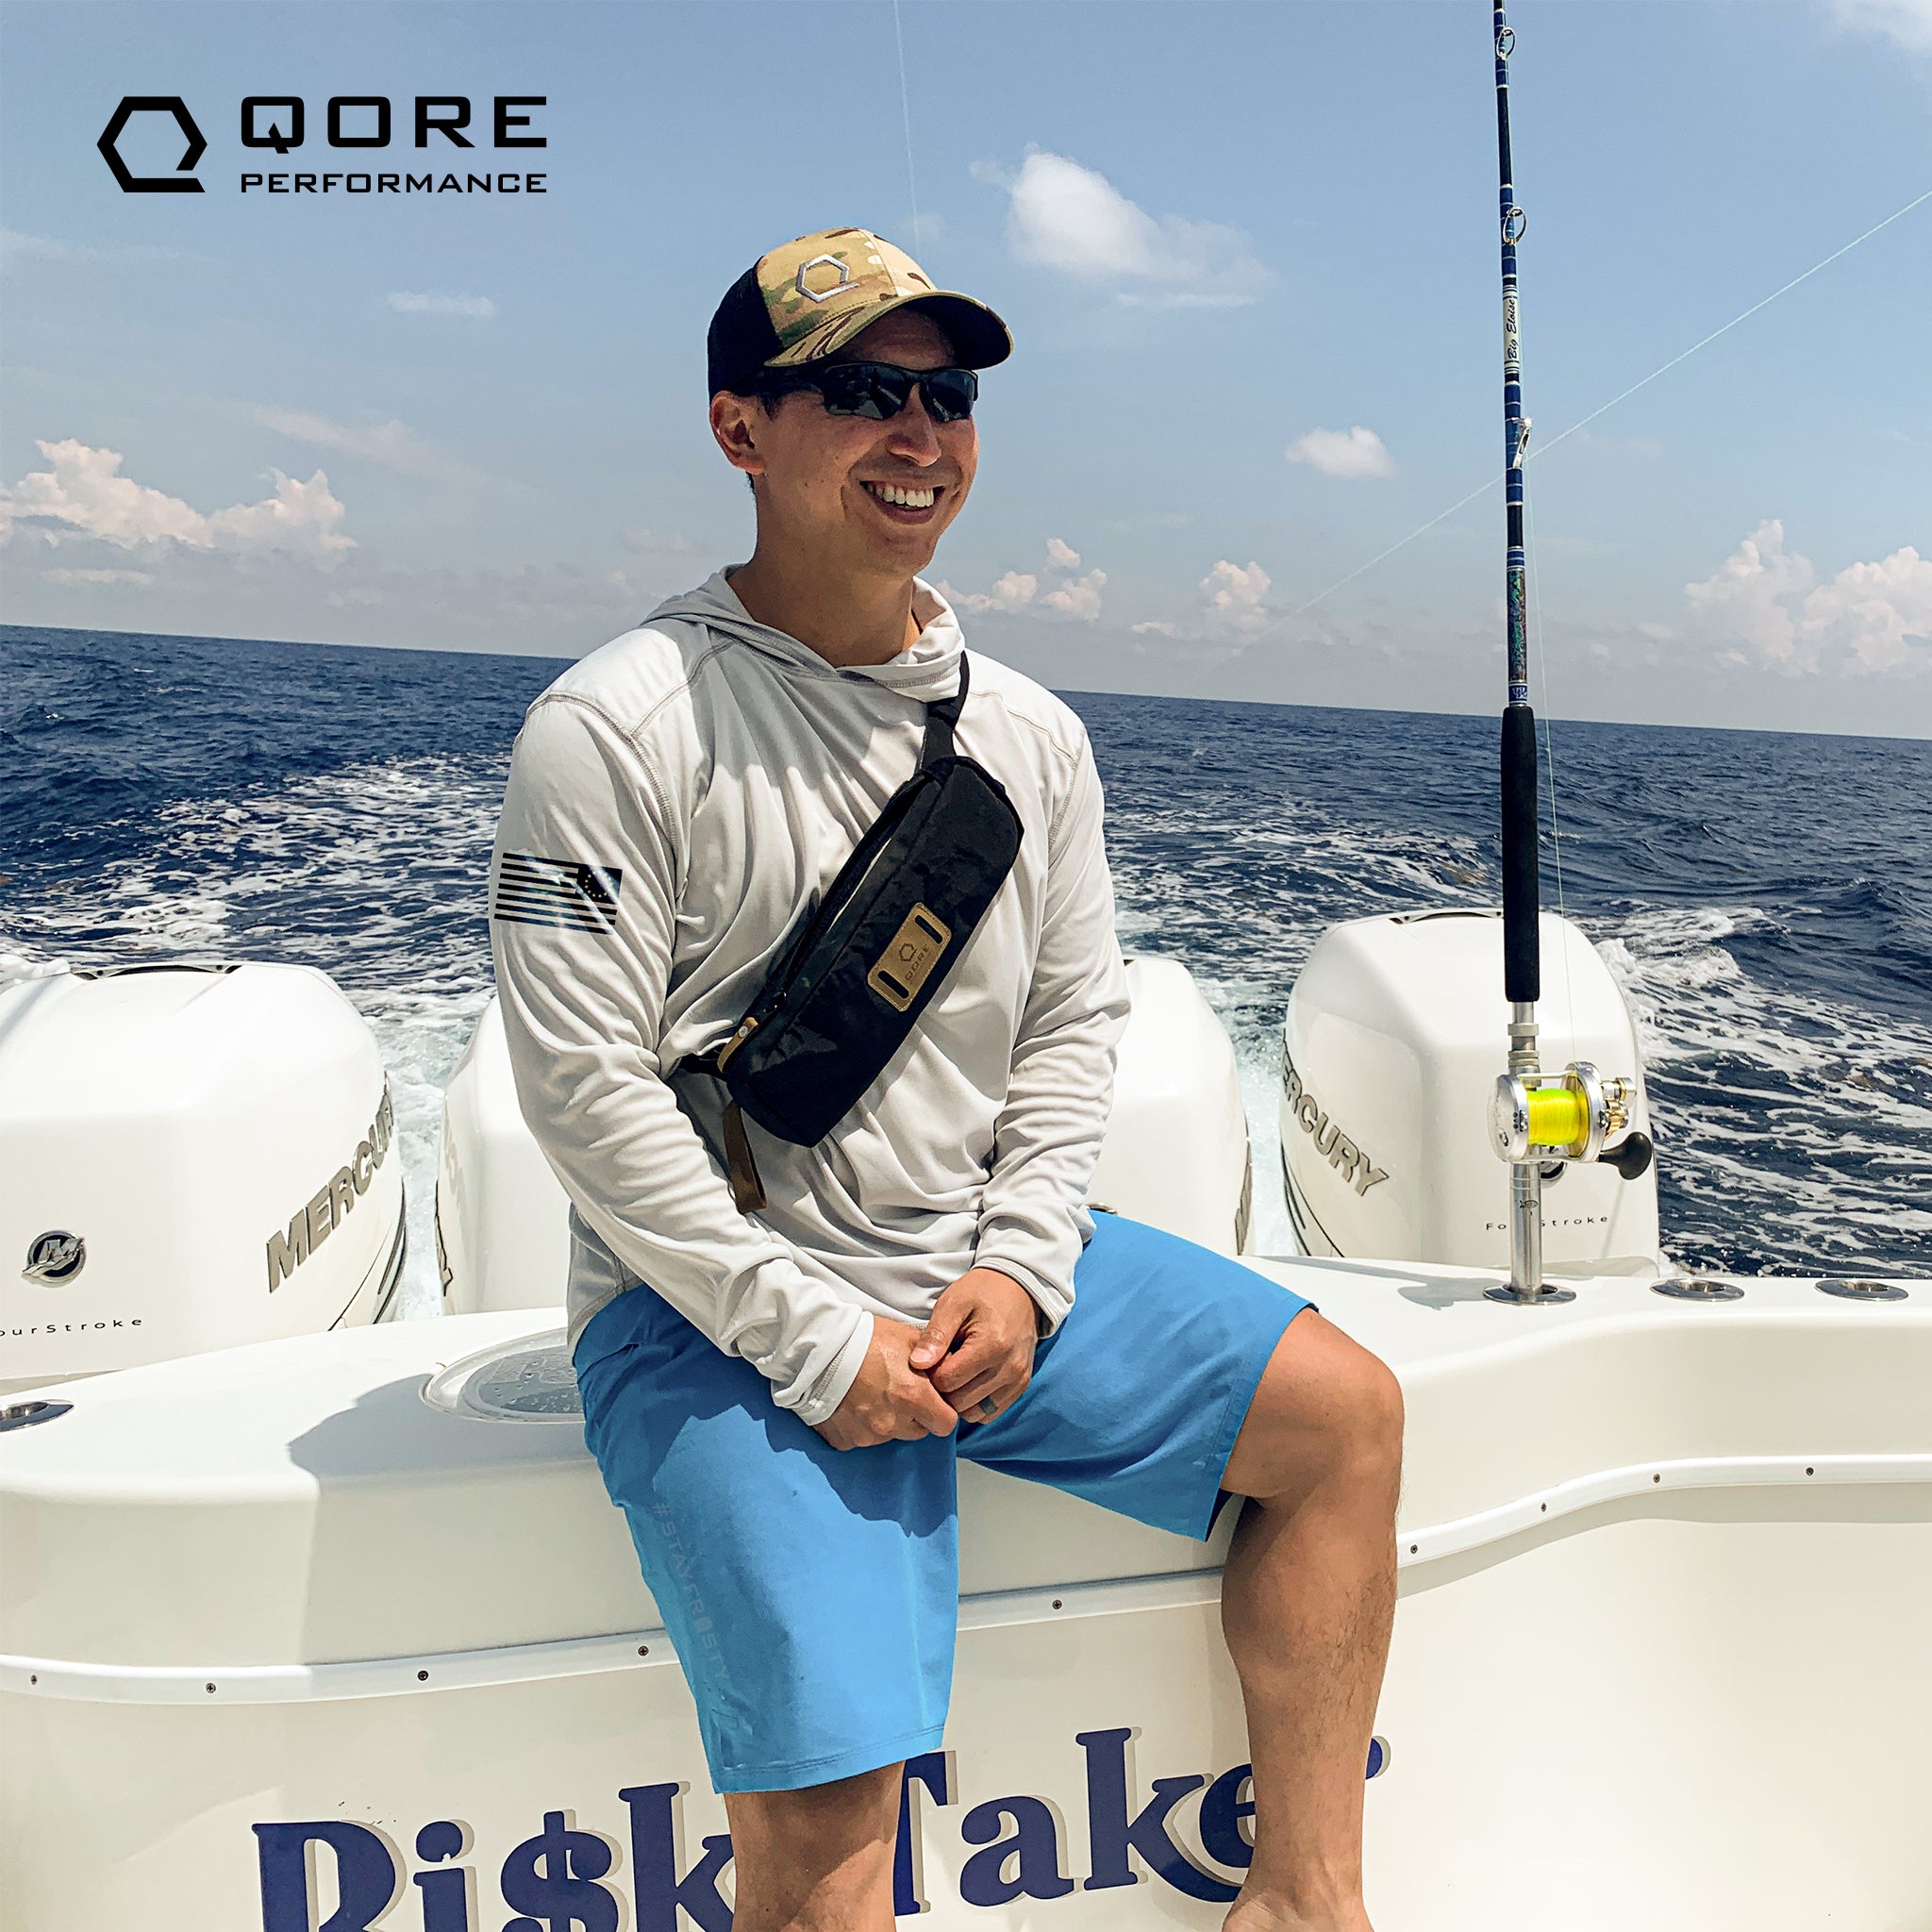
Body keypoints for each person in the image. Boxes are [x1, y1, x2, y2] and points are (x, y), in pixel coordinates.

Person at [490, 225, 1404, 1932]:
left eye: (949, 397)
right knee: (834, 1845)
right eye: (858, 392)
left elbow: (1069, 1024)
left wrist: (1026, 1266)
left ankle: (1301, 1903)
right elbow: (582, 1093)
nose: (919, 434)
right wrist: (816, 1341)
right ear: (740, 428)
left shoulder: (1032, 737)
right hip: (712, 1310)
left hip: (978, 1274)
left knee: (1343, 1421)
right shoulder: (615, 725)